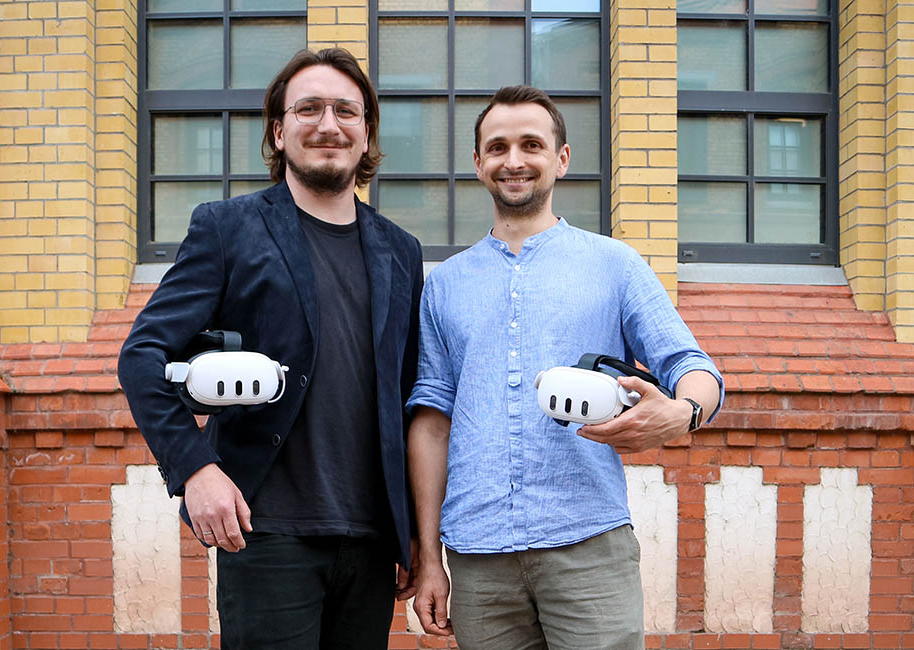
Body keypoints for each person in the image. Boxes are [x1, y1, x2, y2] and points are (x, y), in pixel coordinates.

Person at [117, 48, 423, 650]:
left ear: (366, 133)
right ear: (280, 132)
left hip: (371, 540)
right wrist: (196, 469)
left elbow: (407, 395)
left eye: (346, 111)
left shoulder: (401, 250)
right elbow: (142, 356)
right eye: (309, 109)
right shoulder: (227, 228)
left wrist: (411, 526)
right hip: (265, 530)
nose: (329, 124)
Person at [407, 85, 724, 650]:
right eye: (497, 147)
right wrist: (430, 557)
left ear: (562, 158)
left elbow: (691, 365)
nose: (514, 160)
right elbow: (432, 423)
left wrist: (683, 414)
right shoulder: (444, 285)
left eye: (531, 144)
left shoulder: (614, 265)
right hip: (478, 559)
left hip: (588, 545)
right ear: (478, 163)